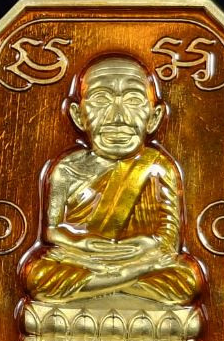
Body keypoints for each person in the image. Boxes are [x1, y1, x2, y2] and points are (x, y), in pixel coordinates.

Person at [19, 55, 204, 305]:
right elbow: (52, 231)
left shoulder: (157, 167)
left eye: (133, 100)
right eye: (101, 99)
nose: (117, 116)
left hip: (139, 259)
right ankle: (123, 281)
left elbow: (169, 240)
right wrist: (82, 243)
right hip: (85, 258)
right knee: (39, 275)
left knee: (187, 278)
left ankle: (103, 284)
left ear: (154, 117)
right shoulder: (67, 168)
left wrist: (145, 247)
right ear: (78, 115)